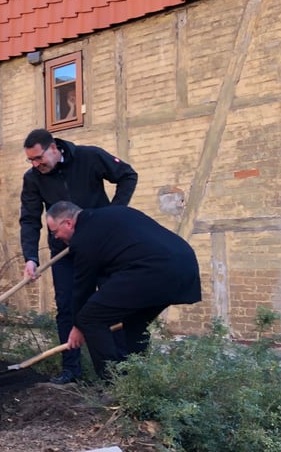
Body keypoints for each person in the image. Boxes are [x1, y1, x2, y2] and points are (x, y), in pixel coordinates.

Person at [20, 128, 137, 384]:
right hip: (65, 252)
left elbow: (128, 175)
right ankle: (71, 370)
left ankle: (121, 373)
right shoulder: (33, 179)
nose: (35, 164)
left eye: (38, 158)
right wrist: (31, 257)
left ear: (53, 148)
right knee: (67, 307)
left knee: (111, 304)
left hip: (103, 247)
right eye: (31, 160)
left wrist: (112, 215)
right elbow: (29, 219)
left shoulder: (89, 157)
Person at [46, 201, 201, 379]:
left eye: (54, 232)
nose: (55, 237)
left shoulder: (84, 237)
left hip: (153, 270)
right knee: (134, 323)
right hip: (184, 265)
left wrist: (78, 325)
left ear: (68, 223)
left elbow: (83, 287)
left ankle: (113, 385)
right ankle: (136, 381)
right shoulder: (113, 215)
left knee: (90, 319)